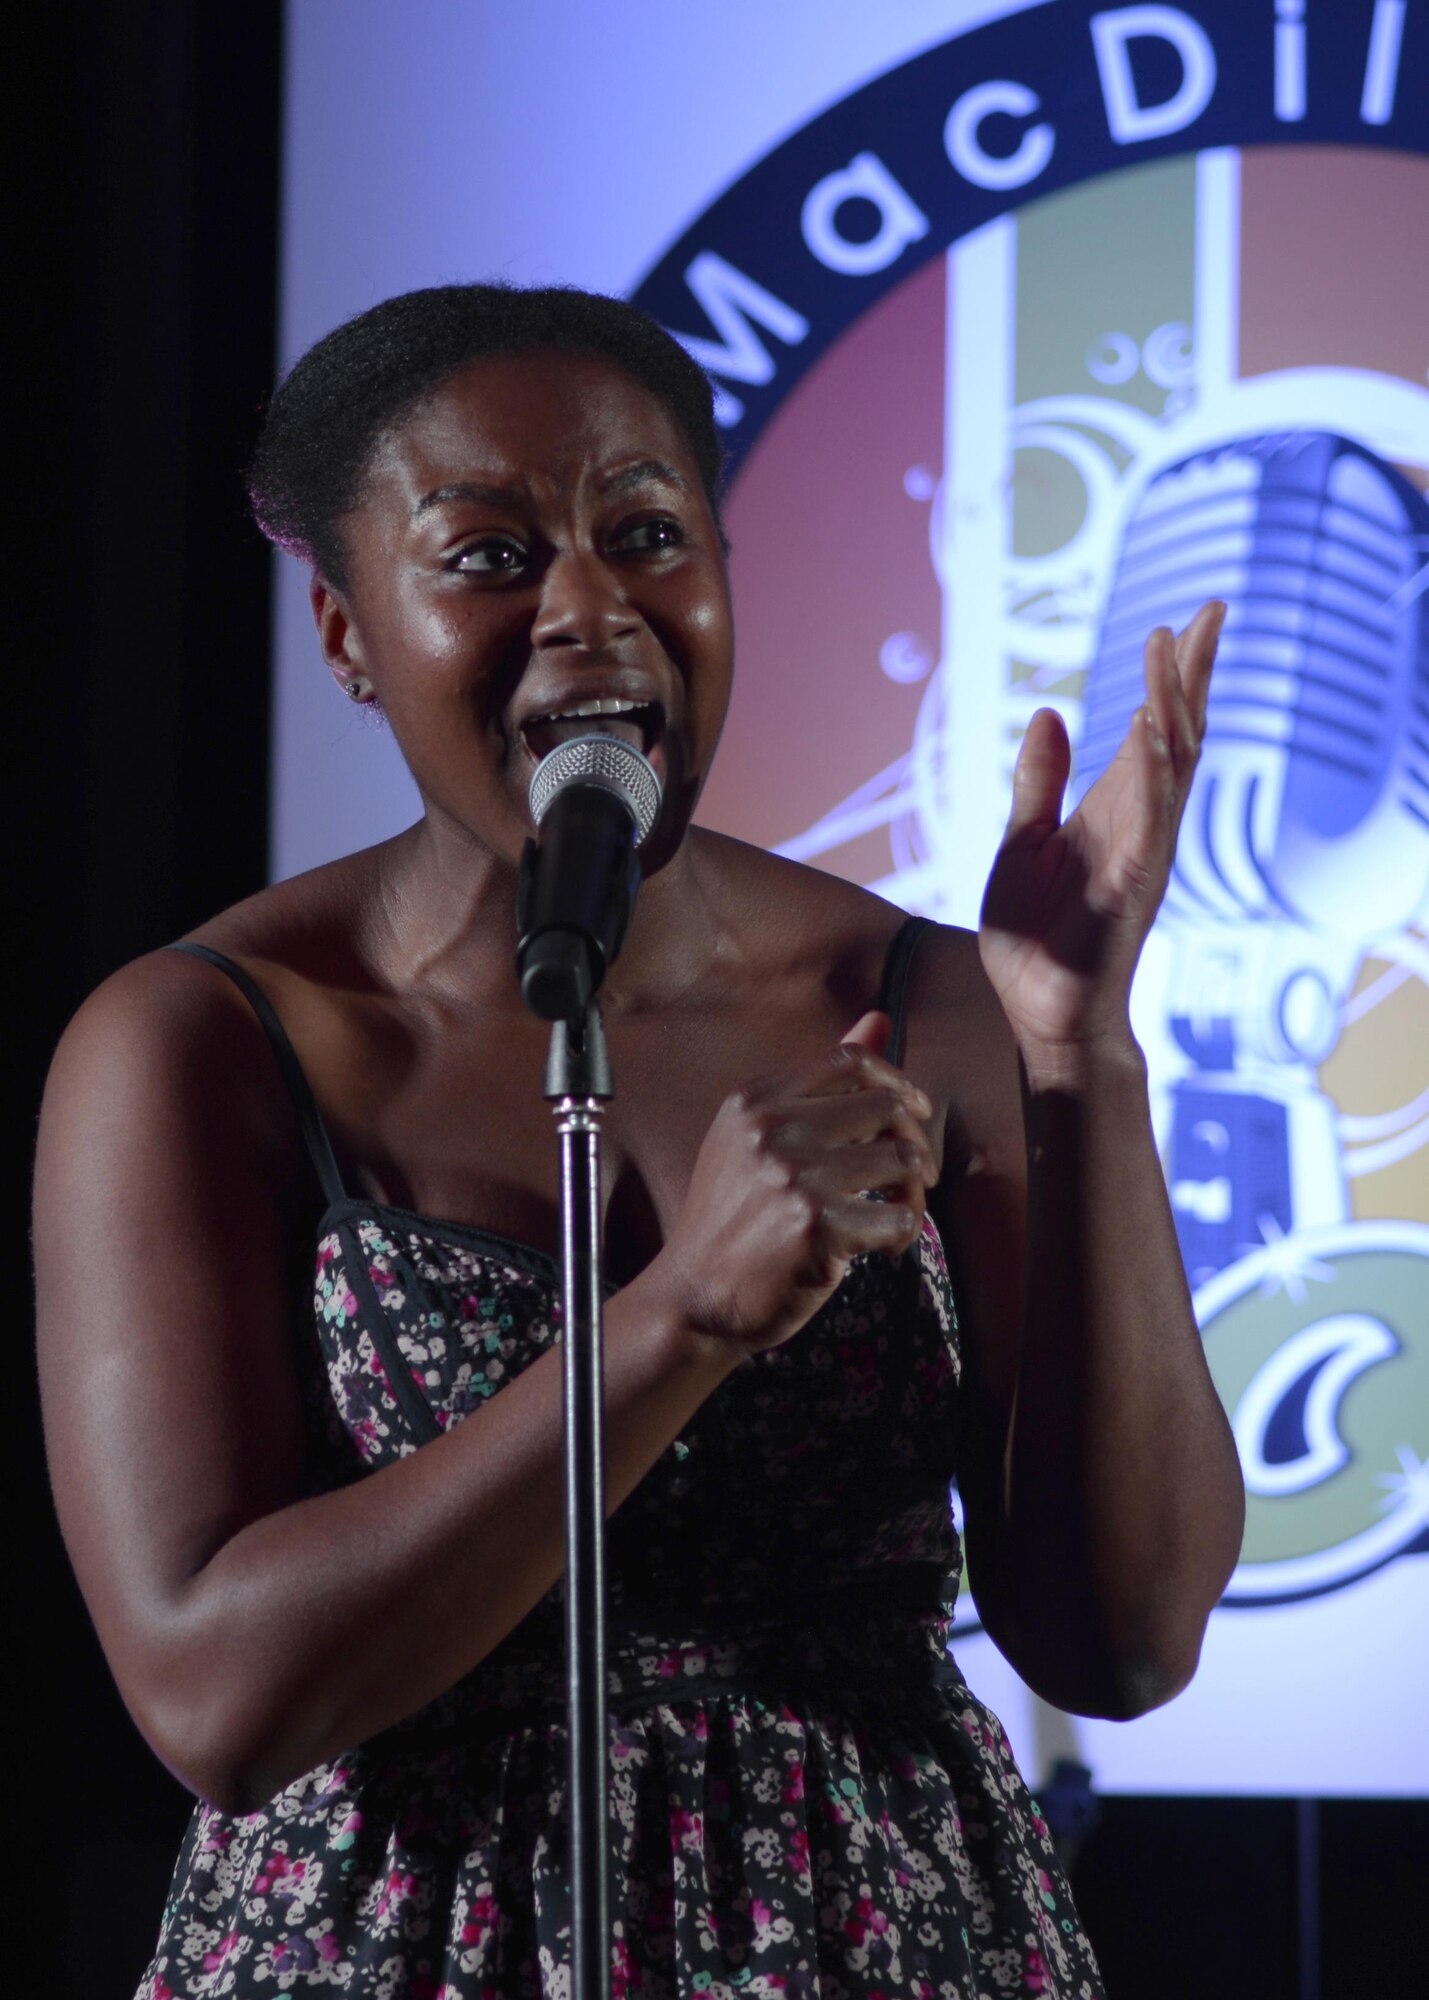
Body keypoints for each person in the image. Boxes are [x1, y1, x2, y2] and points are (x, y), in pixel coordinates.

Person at [35, 283, 1244, 1999]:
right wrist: (684, 1317)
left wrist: (1080, 1056)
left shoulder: (927, 992)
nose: (591, 608)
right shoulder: (207, 1041)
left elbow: (1118, 1644)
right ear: (345, 632)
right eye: (488, 555)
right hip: (392, 1946)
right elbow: (217, 1705)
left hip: (882, 1935)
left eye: (647, 533)